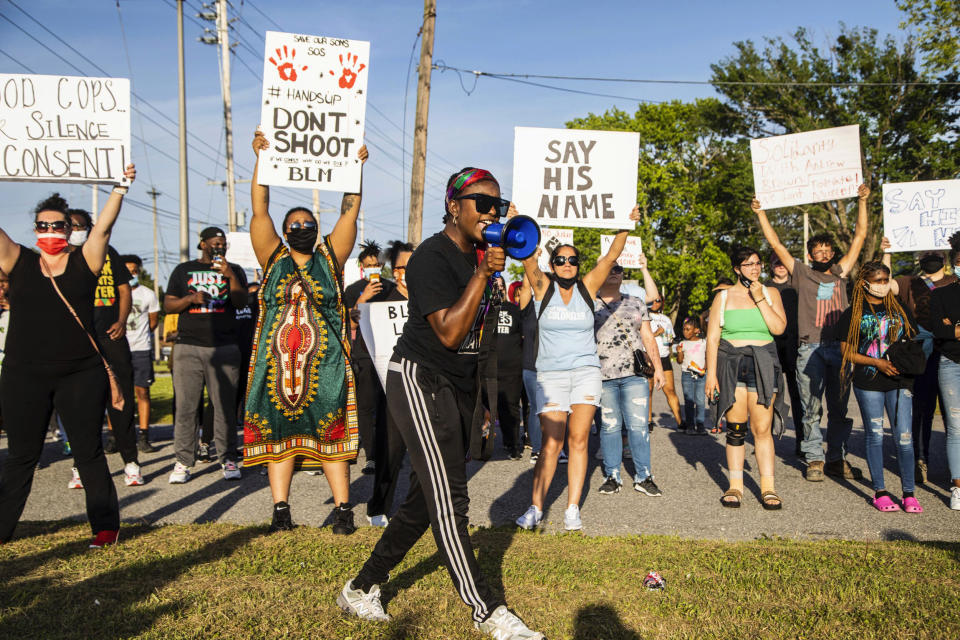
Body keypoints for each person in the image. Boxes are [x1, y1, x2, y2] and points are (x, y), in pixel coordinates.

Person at [340, 167, 543, 640]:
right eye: (482, 203)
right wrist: (482, 272)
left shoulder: (481, 258)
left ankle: (361, 586)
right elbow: (451, 332)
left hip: (457, 387)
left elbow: (479, 339)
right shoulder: (432, 257)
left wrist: (483, 404)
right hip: (418, 378)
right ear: (454, 205)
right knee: (451, 499)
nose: (492, 213)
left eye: (498, 204)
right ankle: (487, 611)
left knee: (421, 503)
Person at [0, 165, 136, 547]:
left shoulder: (86, 261)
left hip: (80, 374)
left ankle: (105, 529)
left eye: (57, 225)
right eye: (42, 226)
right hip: (23, 375)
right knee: (21, 456)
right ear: (34, 230)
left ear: (69, 229)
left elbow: (104, 229)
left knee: (88, 452)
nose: (50, 232)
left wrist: (120, 189)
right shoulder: (19, 261)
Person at [245, 131, 367, 534]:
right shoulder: (273, 256)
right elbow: (259, 209)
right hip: (275, 366)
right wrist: (261, 159)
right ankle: (281, 511)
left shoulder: (331, 257)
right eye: (294, 224)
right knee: (278, 435)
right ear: (284, 230)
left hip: (326, 366)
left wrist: (355, 168)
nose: (302, 227)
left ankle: (344, 511)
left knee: (331, 435)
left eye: (308, 223)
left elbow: (349, 213)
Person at [515, 207, 641, 532]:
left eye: (572, 260)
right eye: (560, 260)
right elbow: (527, 255)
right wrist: (515, 218)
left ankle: (572, 509)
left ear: (578, 265)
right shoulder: (543, 289)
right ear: (552, 265)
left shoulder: (587, 287)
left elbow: (612, 254)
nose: (567, 264)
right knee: (551, 444)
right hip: (551, 376)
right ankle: (536, 508)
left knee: (579, 440)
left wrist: (627, 224)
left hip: (585, 372)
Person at [753, 185, 870, 481]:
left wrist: (863, 201)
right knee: (810, 408)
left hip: (839, 348)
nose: (821, 254)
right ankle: (815, 459)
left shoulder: (841, 272)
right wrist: (761, 213)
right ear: (810, 254)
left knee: (840, 410)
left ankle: (837, 458)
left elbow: (859, 237)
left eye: (826, 250)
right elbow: (777, 244)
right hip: (809, 349)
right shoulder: (801, 273)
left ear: (832, 253)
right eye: (816, 251)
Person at [164, 225, 248, 483]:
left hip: (224, 347)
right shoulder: (183, 270)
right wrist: (190, 300)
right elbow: (168, 305)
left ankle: (228, 459)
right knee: (187, 406)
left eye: (222, 244)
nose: (218, 247)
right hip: (188, 347)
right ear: (202, 244)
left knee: (224, 406)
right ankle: (183, 461)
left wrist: (229, 274)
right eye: (214, 243)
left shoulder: (235, 270)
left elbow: (241, 302)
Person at [705, 245, 787, 509]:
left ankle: (768, 488)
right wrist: (710, 377)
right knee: (736, 429)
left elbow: (778, 328)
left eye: (757, 263)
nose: (755, 268)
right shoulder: (724, 297)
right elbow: (712, 338)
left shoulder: (771, 293)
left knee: (762, 429)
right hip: (731, 365)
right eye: (748, 264)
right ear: (736, 269)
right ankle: (735, 486)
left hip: (763, 363)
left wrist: (759, 297)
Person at [68, 208, 144, 486]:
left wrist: (122, 320)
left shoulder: (108, 252)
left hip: (111, 337)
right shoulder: (62, 256)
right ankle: (81, 465)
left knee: (121, 400)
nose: (76, 230)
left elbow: (124, 290)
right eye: (71, 225)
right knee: (81, 405)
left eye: (80, 225)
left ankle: (131, 463)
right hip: (78, 341)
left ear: (89, 228)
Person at [837, 262, 921, 513]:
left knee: (904, 438)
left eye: (886, 279)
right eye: (878, 280)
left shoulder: (900, 308)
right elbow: (847, 352)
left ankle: (909, 493)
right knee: (874, 435)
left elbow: (912, 337)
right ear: (865, 283)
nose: (883, 284)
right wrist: (876, 362)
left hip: (899, 381)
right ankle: (881, 492)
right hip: (869, 382)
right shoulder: (853, 313)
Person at [594, 260, 666, 496]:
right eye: (610, 269)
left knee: (639, 426)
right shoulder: (589, 302)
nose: (615, 273)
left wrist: (658, 368)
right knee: (610, 427)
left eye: (619, 269)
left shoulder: (634, 302)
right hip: (602, 375)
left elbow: (647, 336)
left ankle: (644, 476)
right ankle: (612, 475)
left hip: (635, 375)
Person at [894, 244, 957, 485]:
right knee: (923, 409)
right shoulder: (909, 282)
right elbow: (886, 284)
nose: (930, 258)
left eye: (936, 255)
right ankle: (921, 459)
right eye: (925, 254)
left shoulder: (954, 282)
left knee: (954, 415)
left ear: (945, 257)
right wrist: (887, 253)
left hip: (950, 352)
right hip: (924, 354)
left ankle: (954, 468)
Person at [365, 239, 413, 528]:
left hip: (426, 384)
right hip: (392, 385)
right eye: (399, 267)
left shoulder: (430, 297)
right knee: (390, 451)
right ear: (393, 271)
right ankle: (379, 506)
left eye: (410, 266)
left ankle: (422, 509)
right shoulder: (380, 301)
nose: (404, 272)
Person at [344, 240, 396, 473]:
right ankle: (371, 456)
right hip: (363, 354)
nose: (373, 268)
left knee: (390, 405)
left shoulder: (390, 287)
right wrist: (363, 299)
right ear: (362, 267)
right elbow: (347, 321)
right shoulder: (353, 290)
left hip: (389, 353)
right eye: (369, 265)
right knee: (365, 406)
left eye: (377, 264)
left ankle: (393, 451)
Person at [929, 230, 960, 510]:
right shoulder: (941, 295)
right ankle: (958, 485)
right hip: (951, 364)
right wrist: (951, 329)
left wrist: (955, 327)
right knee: (955, 427)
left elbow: (951, 328)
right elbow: (940, 329)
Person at [121, 255, 160, 453]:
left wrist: (141, 335)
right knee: (117, 393)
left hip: (141, 349)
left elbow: (153, 321)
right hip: (119, 348)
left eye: (134, 271)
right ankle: (115, 435)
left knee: (142, 391)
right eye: (127, 271)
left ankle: (144, 435)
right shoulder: (115, 293)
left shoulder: (147, 294)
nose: (131, 274)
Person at [767, 252, 804, 454]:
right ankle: (766, 439)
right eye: (776, 263)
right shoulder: (763, 287)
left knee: (798, 396)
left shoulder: (797, 286)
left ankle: (802, 439)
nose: (780, 266)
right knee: (769, 395)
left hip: (794, 346)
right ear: (770, 266)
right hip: (770, 346)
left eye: (783, 263)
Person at [492, 276, 525, 459]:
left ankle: (512, 444)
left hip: (512, 367)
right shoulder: (483, 310)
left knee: (510, 408)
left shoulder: (514, 310)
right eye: (494, 286)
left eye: (501, 286)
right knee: (486, 408)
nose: (499, 289)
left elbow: (523, 336)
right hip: (488, 368)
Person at [647, 295, 684, 429]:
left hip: (663, 357)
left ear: (662, 303)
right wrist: (656, 333)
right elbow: (641, 336)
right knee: (648, 389)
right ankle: (649, 421)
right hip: (649, 356)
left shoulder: (666, 319)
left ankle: (680, 422)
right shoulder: (643, 315)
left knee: (670, 390)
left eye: (658, 300)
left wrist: (667, 338)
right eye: (652, 300)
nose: (655, 303)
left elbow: (670, 339)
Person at [517, 276, 543, 464]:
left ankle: (560, 448)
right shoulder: (528, 309)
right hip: (532, 366)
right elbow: (526, 287)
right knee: (536, 408)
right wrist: (531, 257)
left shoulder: (556, 306)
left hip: (556, 367)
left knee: (558, 410)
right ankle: (537, 449)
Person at [676, 316, 708, 435]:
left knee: (700, 400)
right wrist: (679, 352)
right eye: (684, 329)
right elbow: (679, 361)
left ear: (696, 330)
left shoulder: (703, 342)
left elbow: (707, 357)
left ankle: (700, 424)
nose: (685, 332)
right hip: (687, 375)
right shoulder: (682, 344)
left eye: (688, 329)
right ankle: (690, 426)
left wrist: (704, 368)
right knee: (689, 401)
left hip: (701, 375)